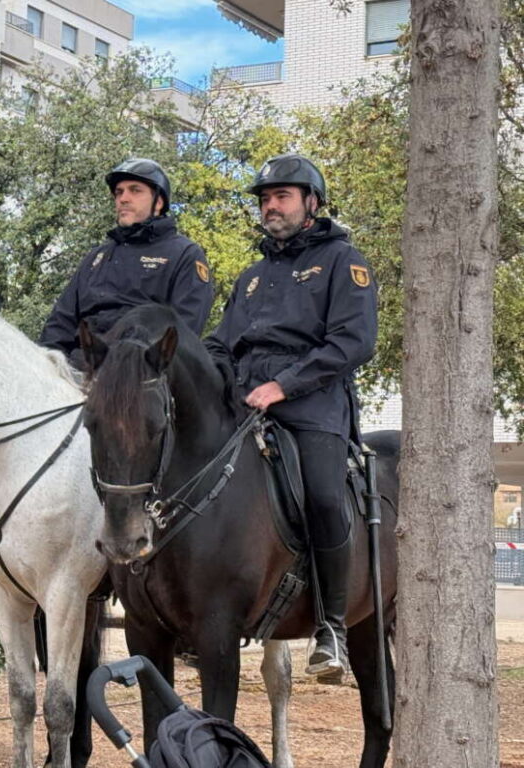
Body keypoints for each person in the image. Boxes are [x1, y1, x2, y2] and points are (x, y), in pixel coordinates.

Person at [204, 153, 378, 683]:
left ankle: (331, 627)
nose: (270, 206)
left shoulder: (344, 261)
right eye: (264, 199)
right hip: (244, 404)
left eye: (281, 196)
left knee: (324, 497)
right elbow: (220, 342)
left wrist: (284, 386)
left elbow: (354, 341)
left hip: (313, 405)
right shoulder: (253, 277)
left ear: (311, 204)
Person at [39, 158, 214, 366]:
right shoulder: (96, 258)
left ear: (158, 203)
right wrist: (45, 364)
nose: (124, 198)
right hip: (80, 366)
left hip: (139, 372)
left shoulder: (184, 254)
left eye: (135, 190)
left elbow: (183, 331)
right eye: (119, 192)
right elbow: (60, 322)